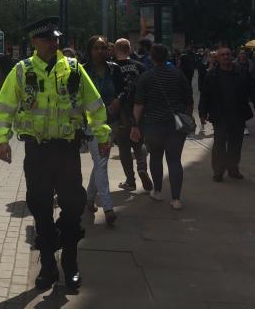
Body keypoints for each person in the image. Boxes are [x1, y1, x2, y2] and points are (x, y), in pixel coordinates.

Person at [0, 17, 110, 291]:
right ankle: (48, 265)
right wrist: (3, 139)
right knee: (40, 207)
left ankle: (70, 262)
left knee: (73, 205)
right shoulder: (22, 71)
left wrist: (103, 135)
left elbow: (94, 104)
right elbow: (4, 106)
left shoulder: (73, 68)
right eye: (47, 39)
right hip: (37, 150)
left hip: (67, 148)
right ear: (34, 42)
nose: (53, 43)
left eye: (55, 38)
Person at [131, 43, 193, 210]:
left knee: (156, 157)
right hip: (176, 124)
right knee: (174, 160)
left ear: (152, 57)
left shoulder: (146, 77)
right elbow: (189, 100)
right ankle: (176, 199)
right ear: (167, 56)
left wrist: (135, 125)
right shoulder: (178, 75)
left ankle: (157, 191)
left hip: (153, 124)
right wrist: (188, 118)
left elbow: (139, 104)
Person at [82, 35, 125, 227]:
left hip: (110, 122)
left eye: (103, 47)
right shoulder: (82, 70)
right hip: (91, 124)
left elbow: (124, 89)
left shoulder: (114, 69)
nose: (100, 51)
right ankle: (108, 207)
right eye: (96, 48)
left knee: (100, 162)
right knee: (101, 162)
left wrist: (118, 100)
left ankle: (89, 199)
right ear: (90, 50)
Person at [199, 45, 254, 181]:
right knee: (219, 143)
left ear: (232, 56)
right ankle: (218, 171)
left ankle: (233, 168)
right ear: (217, 58)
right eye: (222, 55)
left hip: (238, 114)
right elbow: (205, 95)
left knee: (236, 143)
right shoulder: (212, 74)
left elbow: (251, 88)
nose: (225, 57)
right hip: (220, 115)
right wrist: (202, 113)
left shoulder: (241, 72)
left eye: (228, 54)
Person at [112, 38, 152, 192]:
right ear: (129, 49)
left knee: (124, 147)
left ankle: (130, 180)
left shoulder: (112, 68)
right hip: (139, 110)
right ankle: (142, 167)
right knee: (139, 142)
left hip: (120, 112)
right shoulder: (140, 67)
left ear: (115, 50)